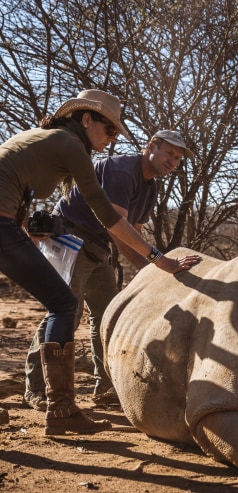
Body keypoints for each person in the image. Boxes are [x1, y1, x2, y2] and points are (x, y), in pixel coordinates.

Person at [0, 89, 200, 435]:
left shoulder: (56, 142)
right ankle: (48, 397)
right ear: (86, 119)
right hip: (72, 240)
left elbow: (127, 237)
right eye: (108, 131)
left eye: (178, 159)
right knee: (64, 306)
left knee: (103, 313)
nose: (110, 140)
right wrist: (160, 261)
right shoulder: (83, 151)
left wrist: (153, 275)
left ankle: (102, 386)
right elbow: (110, 218)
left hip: (93, 247)